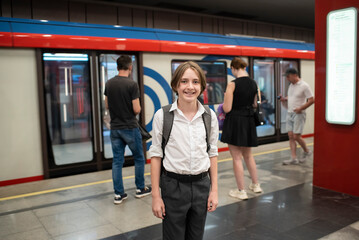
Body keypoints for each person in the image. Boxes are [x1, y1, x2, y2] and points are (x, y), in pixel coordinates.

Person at [149, 61, 219, 240]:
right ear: (175, 85)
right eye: (184, 81)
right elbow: (156, 156)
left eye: (195, 82)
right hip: (173, 187)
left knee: (196, 236)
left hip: (202, 185)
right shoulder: (162, 116)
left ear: (202, 86)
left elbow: (212, 153)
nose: (190, 87)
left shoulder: (209, 116)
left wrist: (214, 190)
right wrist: (156, 196)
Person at [104, 55, 151, 205]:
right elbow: (136, 109)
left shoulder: (109, 83)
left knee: (117, 161)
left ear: (118, 67)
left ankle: (118, 194)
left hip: (115, 128)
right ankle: (140, 188)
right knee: (138, 158)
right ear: (130, 67)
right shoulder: (132, 84)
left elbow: (107, 106)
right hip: (130, 127)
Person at [221, 57, 263, 200]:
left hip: (235, 121)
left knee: (237, 158)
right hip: (248, 121)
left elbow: (227, 108)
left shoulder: (232, 84)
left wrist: (226, 98)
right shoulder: (254, 83)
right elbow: (256, 104)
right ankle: (256, 185)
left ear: (233, 68)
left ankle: (241, 190)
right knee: (248, 155)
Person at [279, 68, 314, 165]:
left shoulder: (304, 86)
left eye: (288, 76)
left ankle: (307, 151)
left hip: (299, 114)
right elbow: (292, 97)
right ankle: (293, 158)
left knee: (296, 136)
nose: (287, 78)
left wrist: (301, 108)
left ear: (295, 75)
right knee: (291, 136)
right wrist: (284, 99)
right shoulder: (291, 85)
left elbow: (311, 100)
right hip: (289, 113)